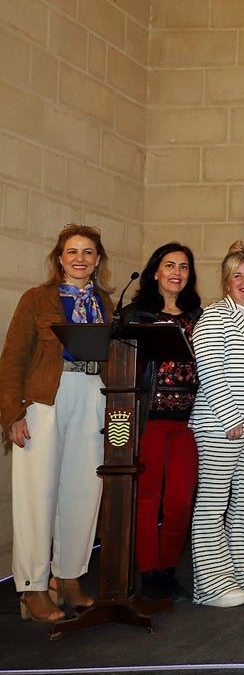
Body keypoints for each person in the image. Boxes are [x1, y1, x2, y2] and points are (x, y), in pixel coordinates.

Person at [1, 225, 111, 622]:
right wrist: (12, 414)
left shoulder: (105, 302)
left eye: (88, 252)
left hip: (92, 394)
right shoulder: (37, 298)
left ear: (97, 260)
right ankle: (32, 587)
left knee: (84, 490)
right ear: (60, 258)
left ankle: (69, 579)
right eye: (72, 252)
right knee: (37, 494)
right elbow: (13, 358)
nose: (80, 258)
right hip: (46, 400)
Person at [190, 242, 244, 608]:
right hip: (221, 423)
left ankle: (241, 569)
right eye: (237, 275)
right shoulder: (213, 316)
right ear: (227, 282)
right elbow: (209, 369)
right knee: (213, 503)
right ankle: (209, 583)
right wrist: (229, 417)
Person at [124, 243, 202, 602]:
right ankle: (149, 573)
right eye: (169, 265)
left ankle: (168, 569)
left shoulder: (198, 317)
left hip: (187, 422)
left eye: (184, 267)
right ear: (155, 271)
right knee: (148, 499)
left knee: (181, 500)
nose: (177, 272)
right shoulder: (134, 315)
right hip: (148, 420)